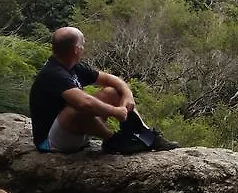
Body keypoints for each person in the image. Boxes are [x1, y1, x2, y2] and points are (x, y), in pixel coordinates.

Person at [29, 26, 176, 153]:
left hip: (73, 131)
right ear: (76, 49)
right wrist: (115, 112)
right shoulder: (53, 74)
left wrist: (127, 94)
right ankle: (114, 141)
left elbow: (110, 79)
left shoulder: (73, 66)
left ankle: (146, 136)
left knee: (113, 92)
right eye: (82, 44)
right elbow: (84, 104)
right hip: (53, 142)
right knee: (78, 107)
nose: (83, 48)